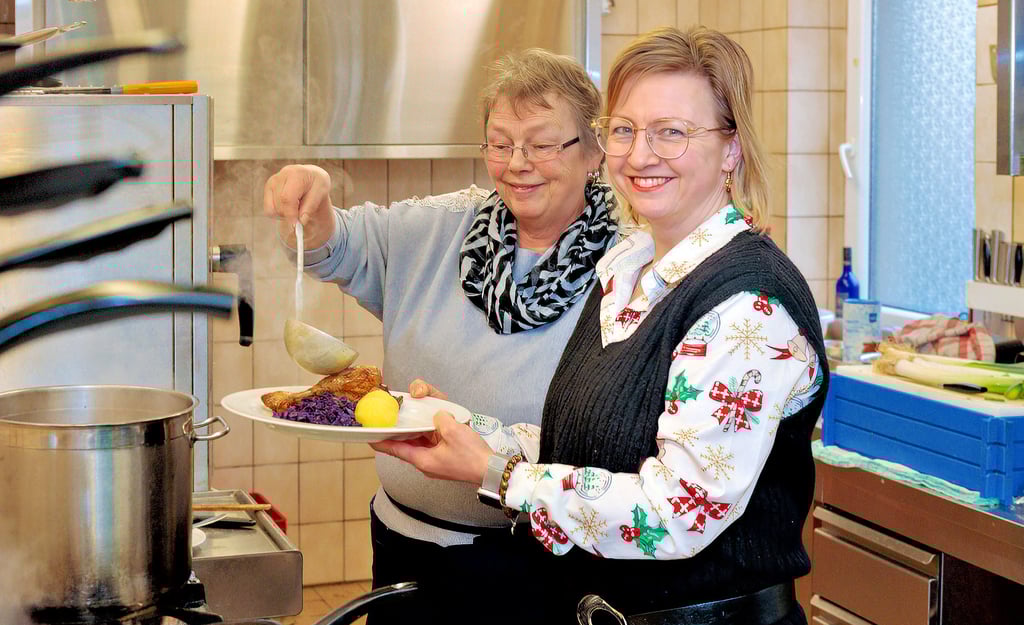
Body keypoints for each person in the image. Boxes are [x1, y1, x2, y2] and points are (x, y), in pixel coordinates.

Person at [373, 26, 830, 625]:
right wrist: (458, 428)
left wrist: (497, 474)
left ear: (731, 148)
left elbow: (675, 513)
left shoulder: (747, 304)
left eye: (673, 132)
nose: (641, 155)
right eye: (625, 130)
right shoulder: (626, 271)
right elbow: (591, 447)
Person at [262, 49, 617, 623]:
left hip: (547, 562)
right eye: (499, 143)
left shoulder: (629, 267)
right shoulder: (437, 228)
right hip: (406, 551)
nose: (518, 163)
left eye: (543, 143)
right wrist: (313, 202)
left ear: (595, 149)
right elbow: (337, 244)